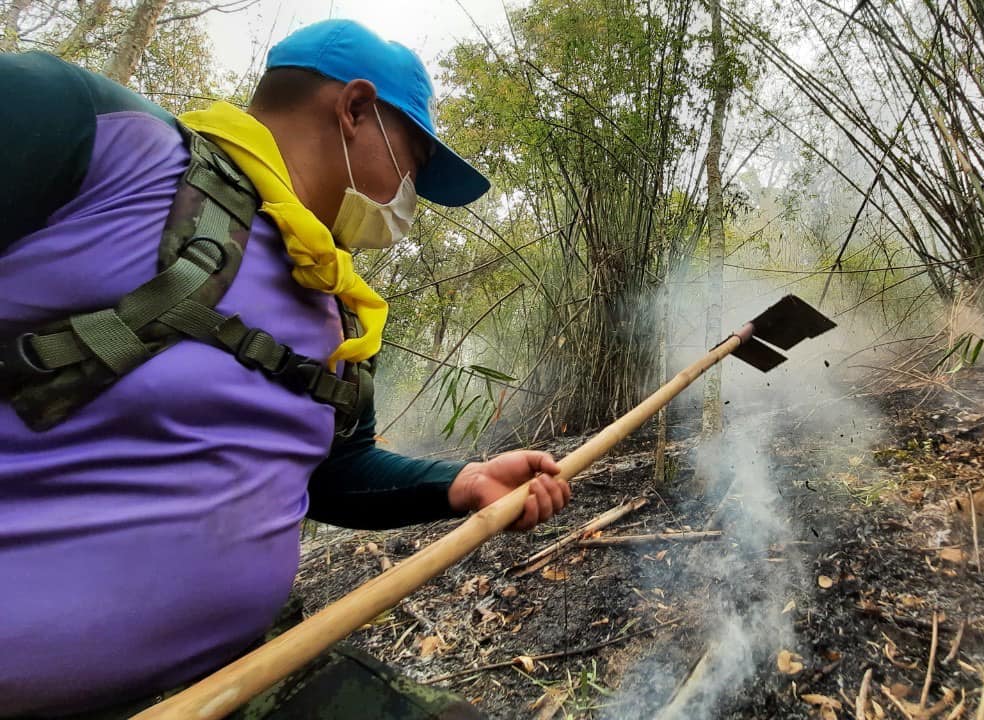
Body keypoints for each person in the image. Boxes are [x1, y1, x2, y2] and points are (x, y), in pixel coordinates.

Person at [0, 19, 571, 720]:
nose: (408, 202)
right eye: (413, 166)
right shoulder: (93, 135)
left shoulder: (341, 314)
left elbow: (334, 474)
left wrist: (460, 481)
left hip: (242, 677)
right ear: (355, 110)